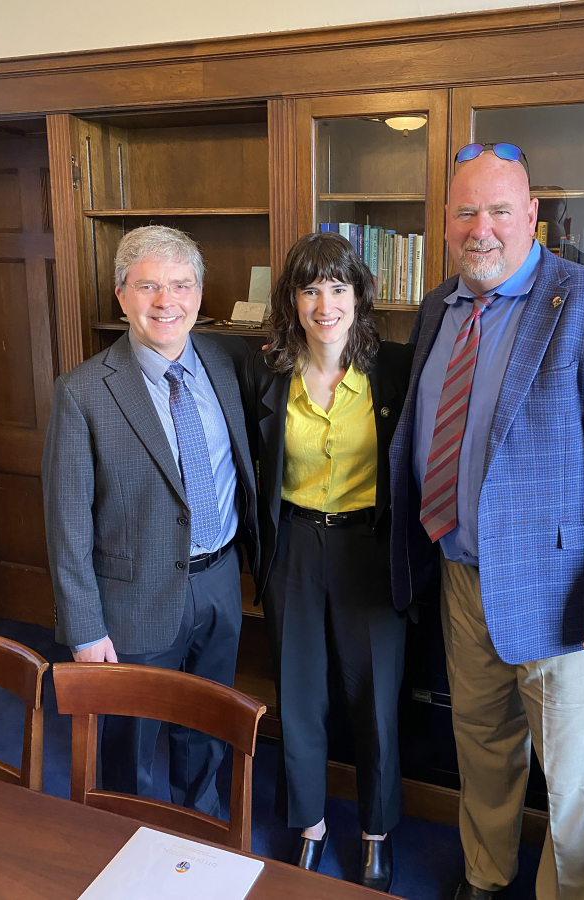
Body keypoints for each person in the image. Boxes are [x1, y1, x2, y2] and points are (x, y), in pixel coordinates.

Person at [389, 144, 584, 900]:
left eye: (499, 210)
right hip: (461, 575)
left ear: (532, 216)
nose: (482, 227)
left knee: (576, 781)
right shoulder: (438, 308)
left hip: (565, 598)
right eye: (465, 211)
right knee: (482, 748)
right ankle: (486, 875)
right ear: (445, 221)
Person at [42, 225, 257, 817]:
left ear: (200, 292)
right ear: (122, 296)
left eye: (181, 285)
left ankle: (200, 831)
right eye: (148, 286)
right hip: (131, 600)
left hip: (218, 583)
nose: (167, 301)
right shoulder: (82, 391)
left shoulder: (224, 359)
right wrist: (85, 630)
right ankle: (125, 841)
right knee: (129, 742)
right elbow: (67, 523)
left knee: (207, 726)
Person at [247, 231, 412, 892]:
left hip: (368, 549)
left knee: (375, 701)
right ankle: (310, 825)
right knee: (301, 695)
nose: (325, 302)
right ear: (292, 297)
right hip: (294, 546)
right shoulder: (266, 370)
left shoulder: (392, 369)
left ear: (358, 295)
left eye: (338, 287)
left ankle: (377, 832)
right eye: (310, 287)